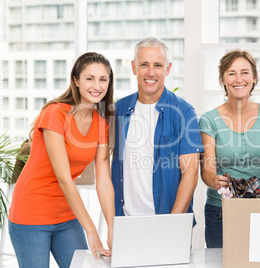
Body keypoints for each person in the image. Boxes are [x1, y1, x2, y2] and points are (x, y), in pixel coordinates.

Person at [8, 52, 116, 268]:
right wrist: (91, 230)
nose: (97, 85)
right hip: (31, 211)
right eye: (89, 78)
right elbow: (64, 178)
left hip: (66, 213)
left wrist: (112, 230)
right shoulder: (55, 113)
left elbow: (103, 181)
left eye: (103, 79)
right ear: (75, 81)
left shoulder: (102, 124)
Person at [199, 49, 260, 248]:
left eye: (245, 72)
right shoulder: (209, 119)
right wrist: (215, 181)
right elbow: (207, 170)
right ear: (223, 80)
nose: (239, 79)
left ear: (254, 78)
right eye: (231, 73)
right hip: (221, 210)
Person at [111, 37, 203, 217]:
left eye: (158, 65)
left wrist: (172, 224)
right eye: (144, 64)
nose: (151, 72)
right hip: (125, 221)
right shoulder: (119, 110)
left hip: (168, 221)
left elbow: (190, 173)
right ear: (134, 67)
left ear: (168, 69)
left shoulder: (184, 112)